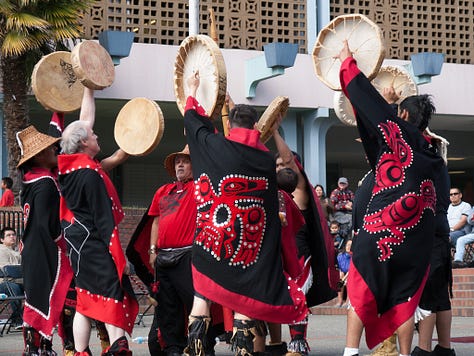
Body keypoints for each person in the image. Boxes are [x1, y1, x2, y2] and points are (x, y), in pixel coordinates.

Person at [182, 72, 307, 356]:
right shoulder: (264, 159)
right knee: (243, 302)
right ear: (255, 126)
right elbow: (250, 142)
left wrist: (192, 90)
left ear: (230, 124)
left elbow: (193, 120)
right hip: (248, 246)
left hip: (212, 239)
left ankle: (197, 349)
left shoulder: (214, 146)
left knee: (201, 297)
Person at [337, 40, 445, 356]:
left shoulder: (396, 132)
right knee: (405, 296)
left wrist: (347, 62)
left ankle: (350, 352)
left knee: (360, 289)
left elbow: (364, 99)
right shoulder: (432, 155)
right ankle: (403, 354)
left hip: (381, 228)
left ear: (402, 114)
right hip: (418, 239)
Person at [58, 88, 138, 355]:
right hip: (93, 246)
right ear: (83, 143)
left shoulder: (68, 168)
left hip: (78, 248)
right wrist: (120, 258)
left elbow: (84, 121)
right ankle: (118, 347)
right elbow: (105, 223)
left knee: (84, 301)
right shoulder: (91, 175)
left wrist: (88, 87)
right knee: (111, 294)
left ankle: (81, 352)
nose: (96, 134)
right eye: (92, 135)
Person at [273, 120, 338, 355]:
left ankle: (297, 344)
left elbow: (289, 160)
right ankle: (269, 344)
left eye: (285, 163)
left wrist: (273, 131)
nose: (282, 168)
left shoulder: (298, 189)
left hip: (297, 255)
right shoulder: (269, 192)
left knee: (295, 298)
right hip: (273, 254)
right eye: (277, 165)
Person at [147, 145, 215, 356]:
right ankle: (174, 348)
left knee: (196, 304)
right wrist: (152, 250)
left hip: (188, 255)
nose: (180, 165)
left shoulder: (199, 188)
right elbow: (156, 222)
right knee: (168, 307)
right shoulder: (162, 191)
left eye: (185, 161)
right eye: (177, 162)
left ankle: (204, 345)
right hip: (163, 257)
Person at [16, 124, 74, 355]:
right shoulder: (46, 184)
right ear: (39, 155)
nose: (56, 151)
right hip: (43, 249)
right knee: (50, 298)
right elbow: (47, 225)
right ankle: (42, 348)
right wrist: (61, 242)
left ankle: (36, 348)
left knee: (36, 298)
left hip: (30, 250)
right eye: (51, 149)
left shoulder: (30, 182)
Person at [0, 227, 23, 326]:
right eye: (8, 235)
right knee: (15, 288)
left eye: (13, 235)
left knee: (37, 287)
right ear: (2, 239)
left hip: (17, 281)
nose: (12, 237)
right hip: (3, 283)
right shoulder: (1, 251)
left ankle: (29, 317)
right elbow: (6, 270)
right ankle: (17, 320)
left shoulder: (17, 252)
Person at [336, 239, 352, 308]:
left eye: (351, 245)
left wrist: (344, 279)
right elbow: (340, 269)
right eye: (348, 245)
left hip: (351, 273)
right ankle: (340, 300)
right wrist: (341, 279)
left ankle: (348, 300)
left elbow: (352, 270)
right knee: (339, 277)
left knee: (349, 279)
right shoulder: (340, 256)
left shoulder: (355, 256)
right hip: (343, 273)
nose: (349, 247)